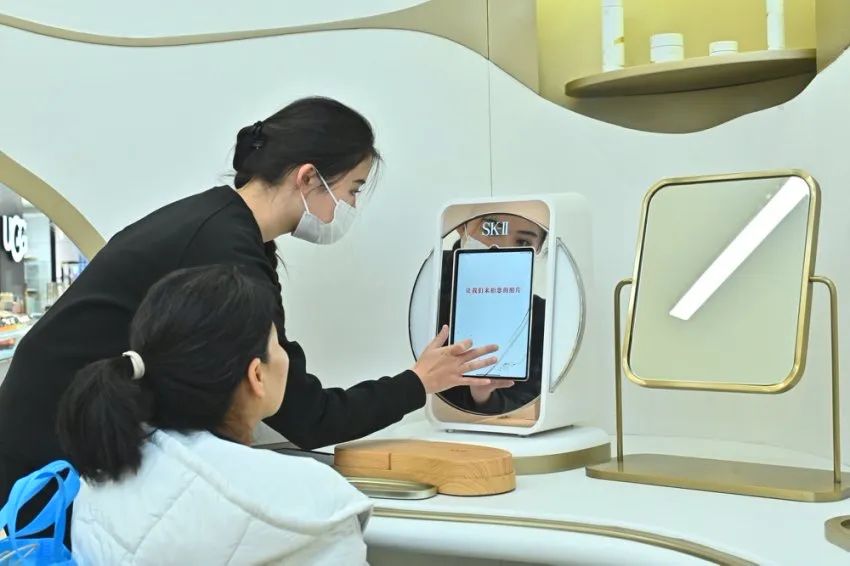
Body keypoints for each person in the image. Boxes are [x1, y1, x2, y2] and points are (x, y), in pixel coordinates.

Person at [0, 96, 498, 518]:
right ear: (308, 178)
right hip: (47, 454)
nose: (348, 207)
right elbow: (307, 417)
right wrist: (419, 382)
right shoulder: (224, 250)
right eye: (352, 190)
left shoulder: (225, 225)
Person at [59, 265, 373, 564]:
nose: (284, 355)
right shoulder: (313, 507)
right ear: (256, 375)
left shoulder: (108, 461)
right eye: (277, 343)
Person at [438, 214, 547, 414]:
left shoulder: (539, 317)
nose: (500, 248)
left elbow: (525, 405)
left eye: (522, 242)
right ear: (461, 226)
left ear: (538, 249)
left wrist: (484, 396)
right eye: (492, 230)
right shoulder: (430, 283)